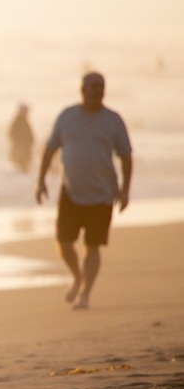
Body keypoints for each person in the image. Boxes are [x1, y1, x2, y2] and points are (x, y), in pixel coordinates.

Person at [35, 72, 132, 310]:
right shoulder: (68, 117)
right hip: (71, 191)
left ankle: (86, 293)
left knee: (93, 245)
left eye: (101, 86)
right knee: (64, 242)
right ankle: (78, 277)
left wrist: (125, 190)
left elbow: (126, 156)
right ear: (82, 90)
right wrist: (40, 181)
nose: (98, 90)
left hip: (102, 194)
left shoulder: (113, 120)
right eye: (93, 86)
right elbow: (49, 149)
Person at [8, 102, 35, 173]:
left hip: (23, 148)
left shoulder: (23, 121)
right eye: (26, 111)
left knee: (23, 166)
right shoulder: (18, 122)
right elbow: (11, 134)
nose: (27, 113)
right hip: (21, 149)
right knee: (21, 166)